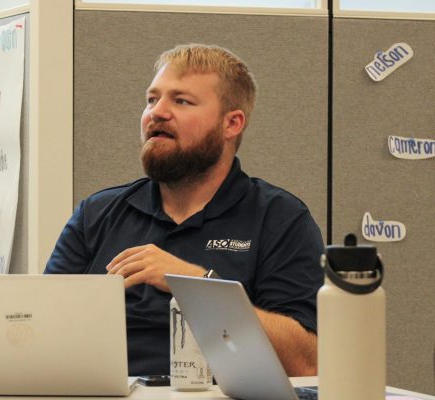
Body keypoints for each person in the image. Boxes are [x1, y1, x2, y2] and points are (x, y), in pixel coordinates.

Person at [45, 44, 324, 377]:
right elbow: (44, 335)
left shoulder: (279, 218)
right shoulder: (96, 214)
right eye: (152, 99)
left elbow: (306, 362)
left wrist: (196, 284)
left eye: (181, 101)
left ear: (231, 124)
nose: (156, 113)